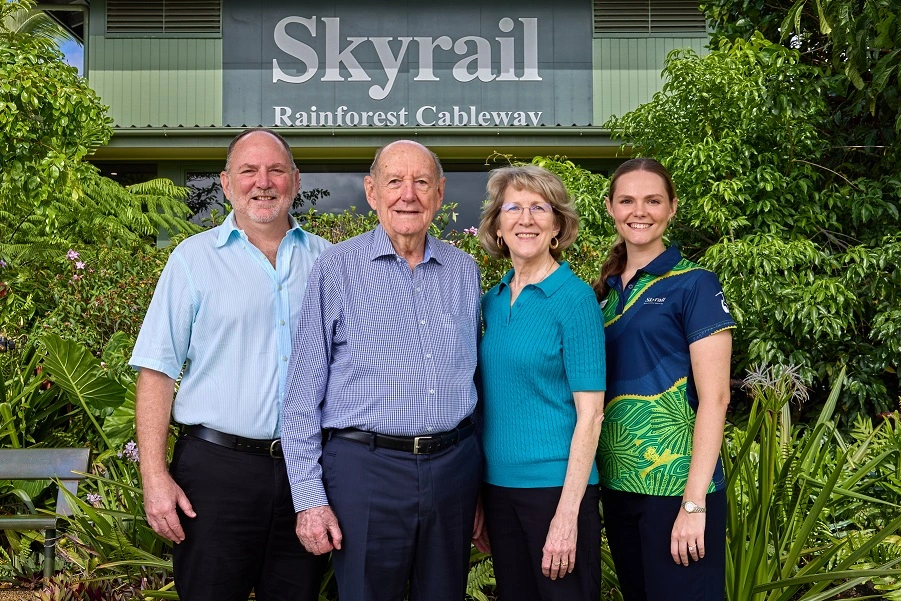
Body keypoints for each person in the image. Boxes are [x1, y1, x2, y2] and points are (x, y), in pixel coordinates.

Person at [130, 128, 331, 601]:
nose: (263, 182)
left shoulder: (328, 262)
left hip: (307, 472)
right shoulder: (191, 260)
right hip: (215, 473)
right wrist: (155, 477)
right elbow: (156, 372)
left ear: (295, 181)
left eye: (276, 170)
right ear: (225, 183)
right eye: (248, 171)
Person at [281, 140, 482, 601]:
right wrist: (310, 499)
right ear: (372, 192)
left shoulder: (463, 270)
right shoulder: (337, 267)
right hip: (365, 470)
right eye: (394, 181)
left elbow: (475, 380)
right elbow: (301, 394)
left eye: (421, 182)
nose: (407, 194)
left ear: (440, 192)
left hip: (453, 469)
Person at [593, 158, 734, 601]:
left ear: (672, 208)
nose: (640, 211)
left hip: (677, 488)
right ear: (611, 208)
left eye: (653, 200)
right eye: (628, 200)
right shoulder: (604, 292)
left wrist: (693, 505)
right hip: (618, 487)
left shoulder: (695, 284)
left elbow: (717, 398)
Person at [477, 165, 607, 601]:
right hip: (498, 492)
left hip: (557, 491)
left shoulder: (574, 299)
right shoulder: (489, 302)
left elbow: (591, 415)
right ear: (497, 225)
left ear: (557, 226)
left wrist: (566, 515)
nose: (525, 219)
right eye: (513, 208)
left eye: (539, 208)